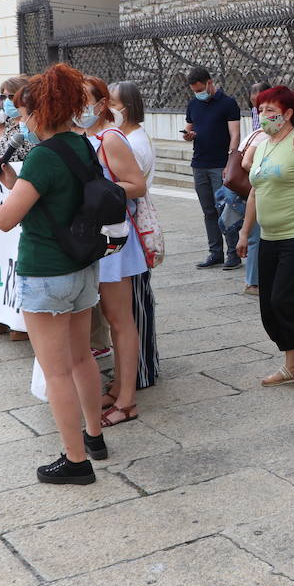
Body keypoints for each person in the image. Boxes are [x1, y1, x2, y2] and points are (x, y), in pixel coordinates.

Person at [0, 63, 108, 485]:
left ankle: (75, 461)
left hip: (46, 272)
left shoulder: (41, 156)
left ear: (40, 113)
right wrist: (12, 177)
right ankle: (94, 436)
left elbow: (4, 219)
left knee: (56, 370)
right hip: (82, 267)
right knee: (81, 358)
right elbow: (53, 200)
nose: (19, 121)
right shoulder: (81, 145)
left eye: (22, 114)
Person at [236, 86, 294, 388]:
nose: (263, 116)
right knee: (268, 308)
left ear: (288, 113)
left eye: (270, 111)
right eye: (260, 110)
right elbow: (255, 191)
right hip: (269, 237)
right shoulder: (263, 145)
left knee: (284, 300)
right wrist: (244, 231)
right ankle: (291, 362)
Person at [82, 76, 150, 425]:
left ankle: (127, 399)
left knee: (120, 320)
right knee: (111, 319)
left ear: (102, 102)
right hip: (94, 238)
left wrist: (97, 191)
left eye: (85, 99)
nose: (79, 106)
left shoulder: (110, 137)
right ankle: (119, 387)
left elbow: (136, 185)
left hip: (114, 239)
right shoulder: (86, 137)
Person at [110, 80, 161, 391]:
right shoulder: (125, 137)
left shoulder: (133, 142)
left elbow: (132, 184)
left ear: (125, 107)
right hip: (127, 222)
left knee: (136, 309)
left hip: (132, 225)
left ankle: (142, 371)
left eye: (112, 102)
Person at [183, 68, 241, 269]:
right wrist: (188, 135)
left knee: (226, 208)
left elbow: (235, 134)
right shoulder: (193, 104)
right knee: (208, 211)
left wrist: (230, 161)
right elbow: (189, 128)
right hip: (199, 163)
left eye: (200, 89)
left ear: (209, 83)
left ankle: (233, 253)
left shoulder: (227, 103)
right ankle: (215, 252)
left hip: (220, 165)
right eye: (194, 90)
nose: (198, 93)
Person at [239, 82, 271, 296]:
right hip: (257, 187)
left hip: (257, 188)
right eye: (258, 109)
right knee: (255, 234)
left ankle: (258, 280)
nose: (261, 113)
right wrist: (264, 175)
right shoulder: (261, 134)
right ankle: (253, 282)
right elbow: (246, 162)